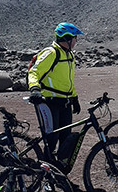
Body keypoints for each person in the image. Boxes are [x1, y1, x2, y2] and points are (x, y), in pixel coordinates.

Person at [28, 22, 83, 158]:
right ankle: (43, 171)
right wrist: (34, 89)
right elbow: (34, 72)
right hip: (50, 102)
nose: (76, 41)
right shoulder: (51, 53)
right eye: (75, 38)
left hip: (65, 103)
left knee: (66, 139)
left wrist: (74, 98)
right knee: (51, 139)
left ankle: (59, 173)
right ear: (67, 38)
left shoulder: (70, 56)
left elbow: (67, 81)